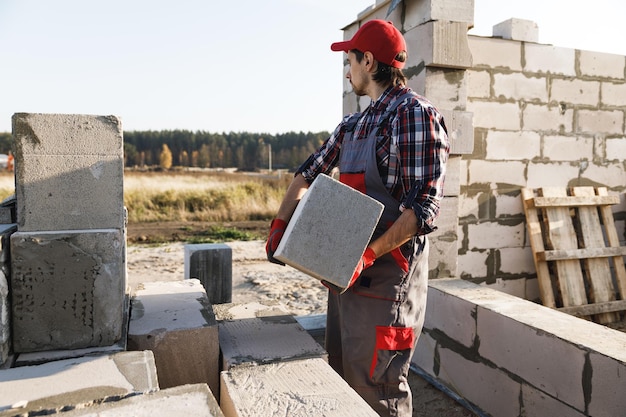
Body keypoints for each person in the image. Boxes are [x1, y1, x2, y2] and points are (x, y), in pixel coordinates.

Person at [266, 19, 449, 417]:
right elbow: (308, 172)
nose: (347, 71)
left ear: (368, 61)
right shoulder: (353, 125)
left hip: (386, 283)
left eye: (349, 61)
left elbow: (424, 209)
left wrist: (366, 256)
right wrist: (282, 225)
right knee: (342, 382)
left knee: (377, 391)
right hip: (344, 282)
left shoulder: (415, 116)